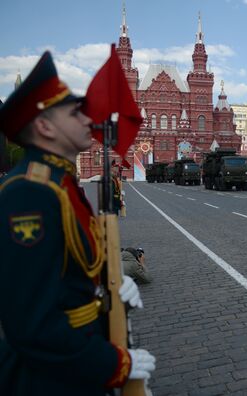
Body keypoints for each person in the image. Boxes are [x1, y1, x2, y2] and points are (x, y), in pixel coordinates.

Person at [0, 52, 155, 395]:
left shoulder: (60, 184)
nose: (88, 119)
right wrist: (114, 365)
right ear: (44, 127)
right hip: (45, 381)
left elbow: (66, 274)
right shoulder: (30, 193)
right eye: (74, 113)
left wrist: (106, 289)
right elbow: (33, 325)